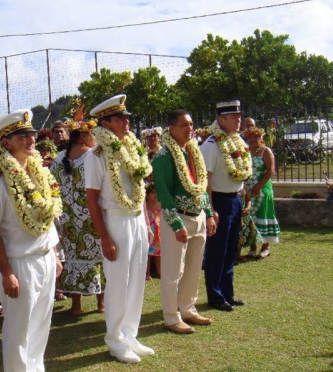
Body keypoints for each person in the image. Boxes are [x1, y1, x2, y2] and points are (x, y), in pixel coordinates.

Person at [0, 109, 63, 371]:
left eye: (32, 134)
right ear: (6, 142)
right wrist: (6, 272)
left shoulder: (40, 172)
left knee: (41, 323)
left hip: (45, 258)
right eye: (22, 135)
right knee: (19, 329)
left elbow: (47, 217)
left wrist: (53, 254)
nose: (31, 139)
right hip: (19, 264)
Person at [84, 94, 154, 364]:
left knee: (137, 280)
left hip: (136, 218)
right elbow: (92, 199)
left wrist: (146, 224)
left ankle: (130, 334)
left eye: (127, 118)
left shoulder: (133, 148)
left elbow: (140, 189)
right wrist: (104, 235)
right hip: (115, 220)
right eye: (120, 118)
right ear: (105, 122)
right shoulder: (96, 155)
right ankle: (115, 340)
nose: (127, 122)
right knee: (117, 283)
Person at [152, 109, 217, 334]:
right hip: (177, 218)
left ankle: (188, 308)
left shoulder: (193, 152)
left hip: (197, 216)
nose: (190, 128)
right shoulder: (163, 157)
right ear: (171, 129)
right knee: (173, 271)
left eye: (191, 124)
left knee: (193, 268)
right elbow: (163, 193)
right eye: (184, 125)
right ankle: (171, 317)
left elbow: (201, 186)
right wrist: (176, 224)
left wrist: (208, 213)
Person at [200, 101, 252, 312]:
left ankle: (227, 291)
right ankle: (215, 295)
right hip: (219, 200)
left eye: (239, 117)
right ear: (221, 120)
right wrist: (210, 210)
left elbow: (242, 171)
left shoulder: (237, 142)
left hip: (235, 199)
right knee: (217, 251)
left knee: (231, 249)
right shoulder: (212, 145)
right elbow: (206, 180)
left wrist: (244, 197)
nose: (239, 120)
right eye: (234, 117)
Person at [51, 118, 105, 316]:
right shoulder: (93, 156)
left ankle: (76, 305)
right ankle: (101, 303)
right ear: (83, 135)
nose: (95, 138)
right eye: (92, 133)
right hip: (91, 216)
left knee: (73, 258)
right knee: (97, 256)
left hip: (68, 219)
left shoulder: (57, 160)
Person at [242, 127, 280, 258]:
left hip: (262, 187)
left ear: (260, 138)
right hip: (248, 188)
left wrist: (259, 185)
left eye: (255, 138)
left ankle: (266, 246)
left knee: (263, 213)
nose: (252, 140)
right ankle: (252, 247)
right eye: (249, 138)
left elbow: (270, 171)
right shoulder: (246, 152)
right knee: (250, 216)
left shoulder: (265, 151)